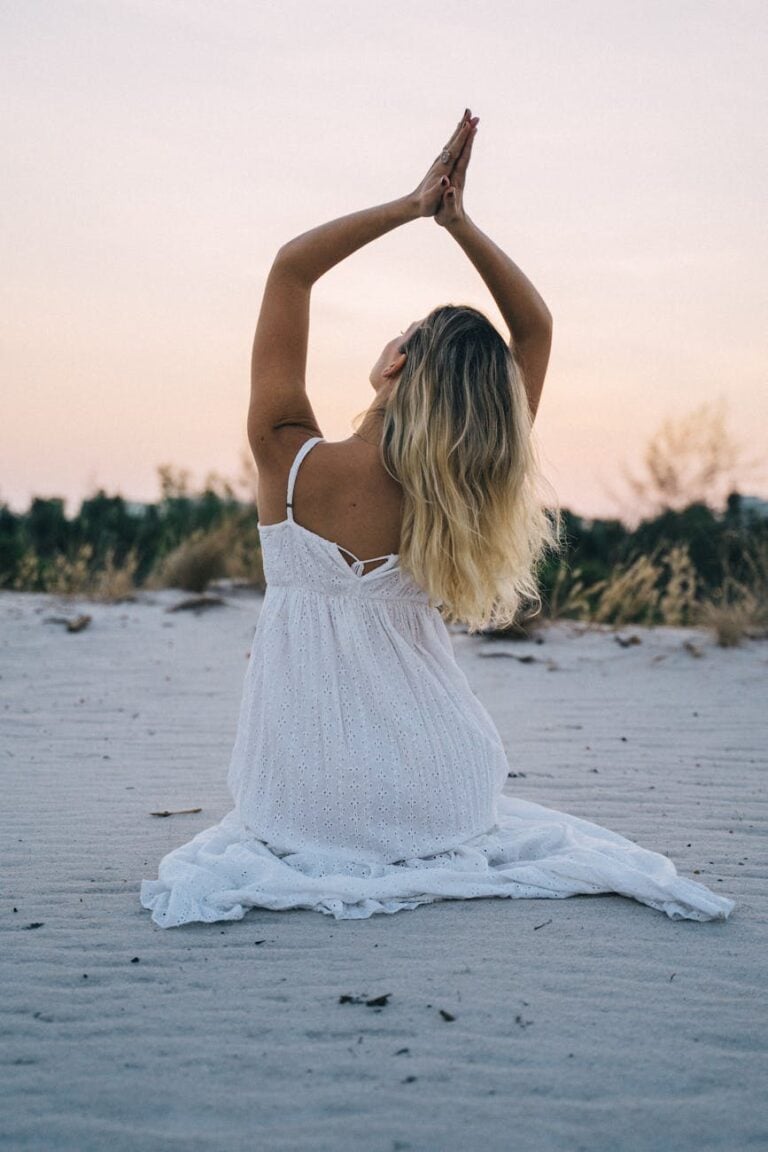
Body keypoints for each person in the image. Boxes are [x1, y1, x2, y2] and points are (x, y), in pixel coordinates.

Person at [140, 110, 735, 927]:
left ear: (395, 362)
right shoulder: (464, 492)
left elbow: (290, 271)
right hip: (441, 795)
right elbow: (536, 329)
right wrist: (462, 225)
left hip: (300, 805)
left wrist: (414, 206)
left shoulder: (289, 461)